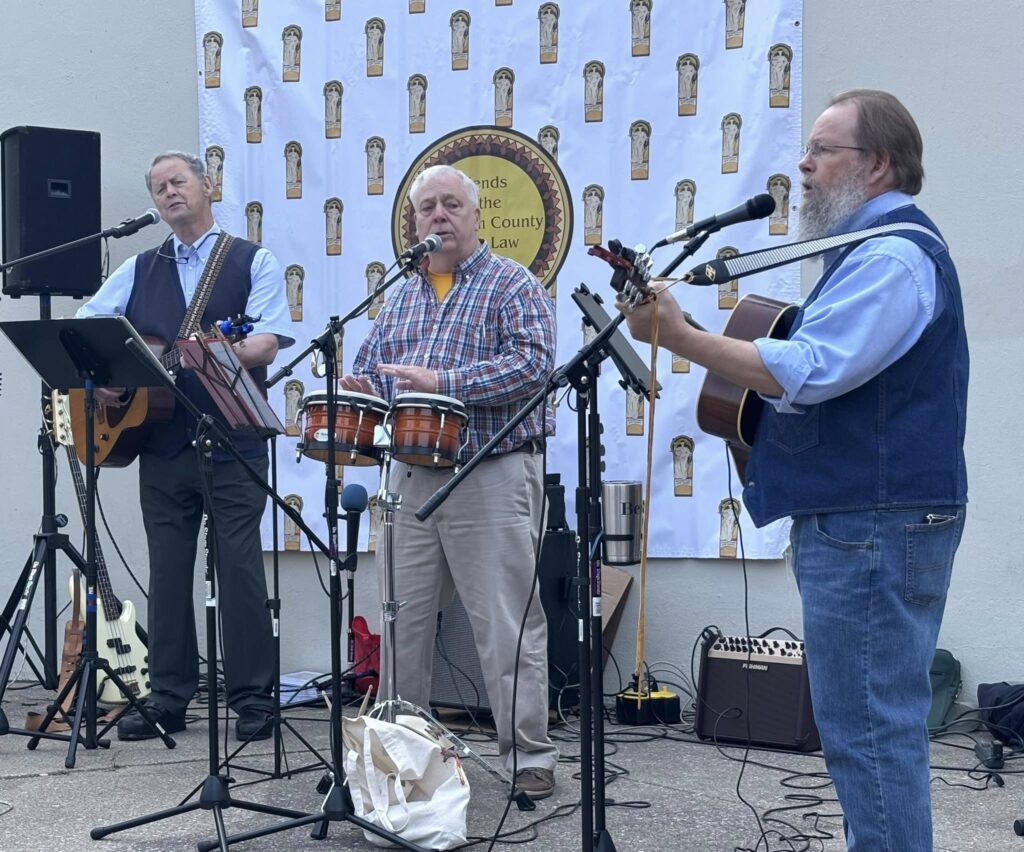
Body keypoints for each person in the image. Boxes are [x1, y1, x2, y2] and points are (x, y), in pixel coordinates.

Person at [621, 90, 967, 851]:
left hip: (873, 524)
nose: (803, 166)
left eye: (821, 151)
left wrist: (681, 338)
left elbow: (809, 370)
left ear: (876, 165)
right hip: (866, 521)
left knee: (868, 732)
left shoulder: (892, 258)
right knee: (863, 729)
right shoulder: (866, 253)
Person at [340, 164, 559, 799]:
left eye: (450, 205)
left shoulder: (513, 283)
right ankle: (406, 756)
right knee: (400, 619)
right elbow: (376, 370)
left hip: (490, 470)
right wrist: (364, 387)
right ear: (413, 224)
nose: (438, 217)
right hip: (409, 477)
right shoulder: (403, 291)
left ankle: (528, 757)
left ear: (476, 216)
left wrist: (445, 383)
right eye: (426, 209)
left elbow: (535, 367)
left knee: (506, 622)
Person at [76, 151, 295, 743]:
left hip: (233, 439)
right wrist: (107, 375)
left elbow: (269, 342)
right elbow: (86, 326)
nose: (169, 192)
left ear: (208, 185)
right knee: (168, 573)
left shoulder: (253, 261)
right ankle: (170, 698)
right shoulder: (140, 267)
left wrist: (219, 352)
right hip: (161, 443)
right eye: (159, 187)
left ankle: (254, 699)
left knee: (239, 570)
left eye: (179, 181)